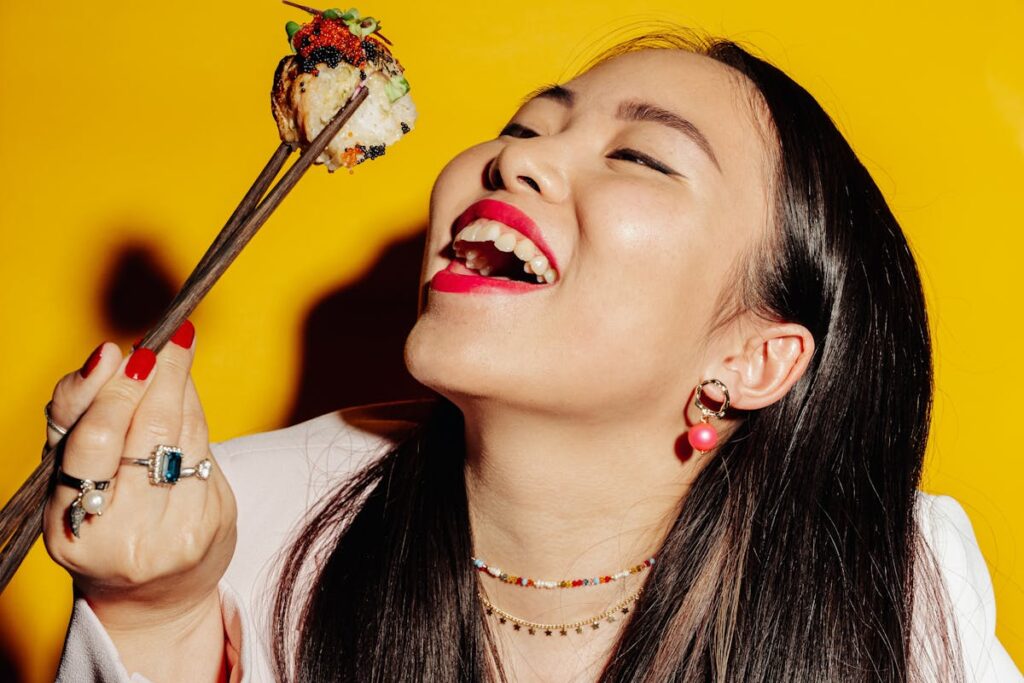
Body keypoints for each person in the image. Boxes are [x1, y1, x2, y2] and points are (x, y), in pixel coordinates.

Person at [42, 33, 1021, 682]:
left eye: (639, 155)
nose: (514, 158)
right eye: (523, 126)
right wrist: (154, 618)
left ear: (754, 357)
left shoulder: (900, 582)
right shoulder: (231, 525)